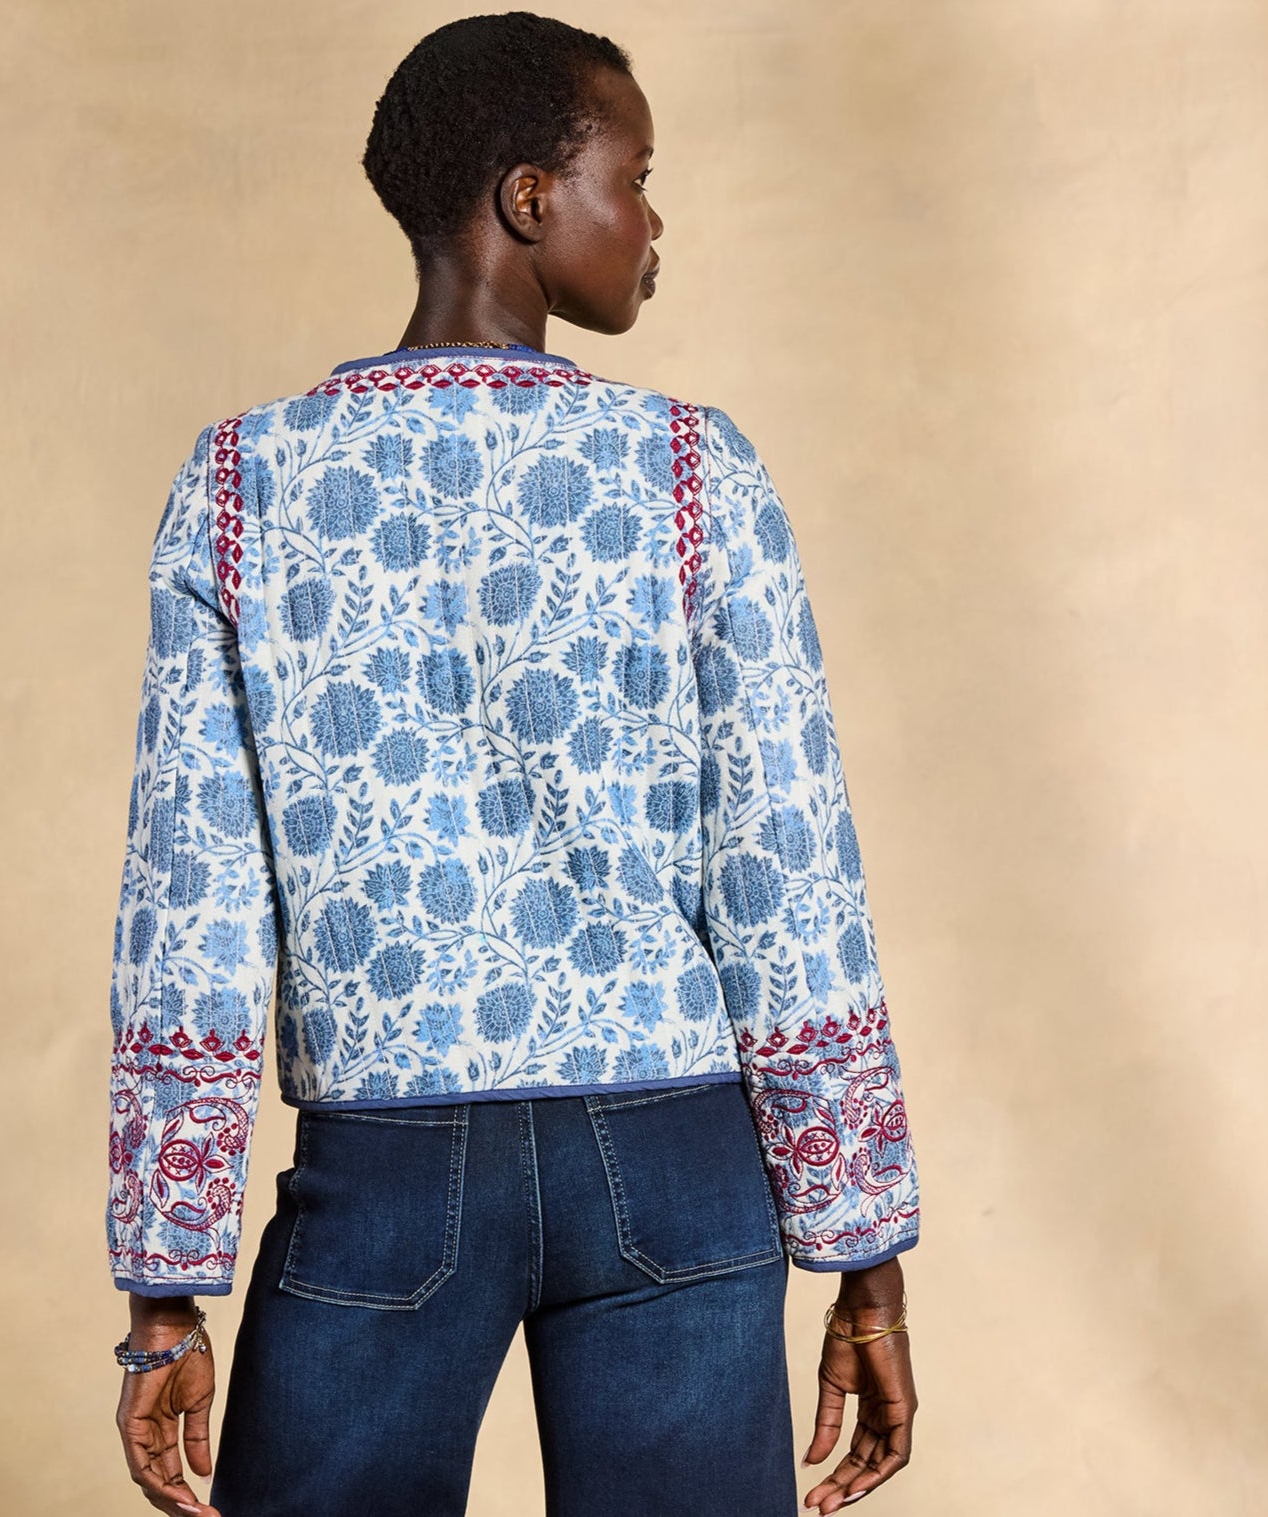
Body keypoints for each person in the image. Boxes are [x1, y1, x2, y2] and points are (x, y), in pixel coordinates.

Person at [106, 12, 920, 1516]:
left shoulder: (241, 487)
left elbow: (191, 900)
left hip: (383, 1172)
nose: (656, 221)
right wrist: (861, 1255)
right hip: (677, 1160)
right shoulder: (694, 472)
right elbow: (786, 866)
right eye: (637, 177)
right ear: (531, 198)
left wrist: (167, 1286)